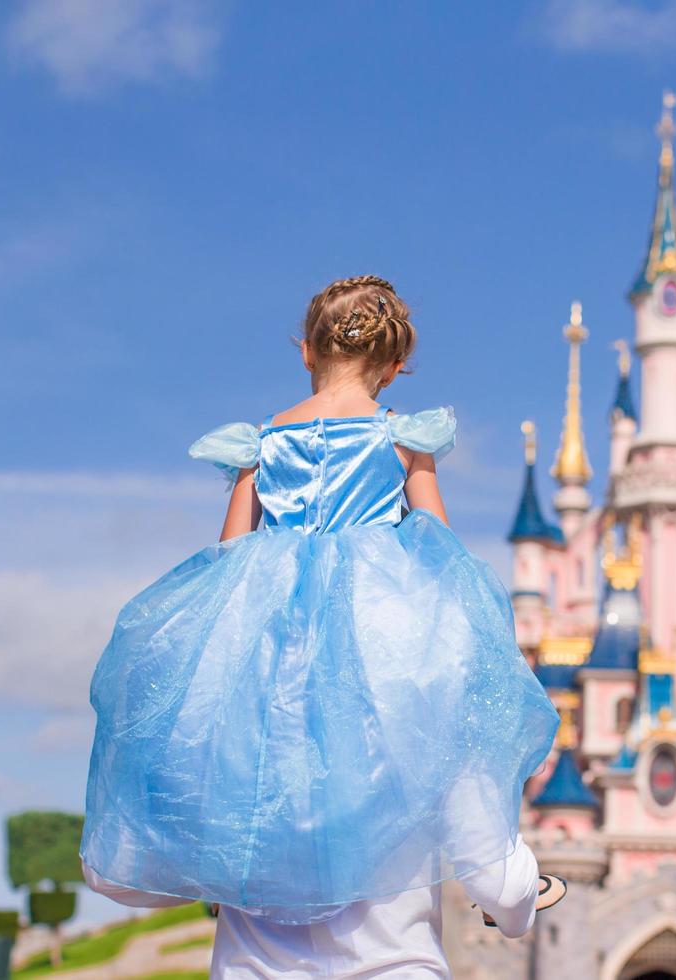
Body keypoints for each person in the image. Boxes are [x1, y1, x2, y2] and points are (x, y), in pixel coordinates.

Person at [80, 275, 564, 977]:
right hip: (377, 634)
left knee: (252, 762)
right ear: (396, 365)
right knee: (435, 736)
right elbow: (440, 557)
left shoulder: (262, 443)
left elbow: (229, 567)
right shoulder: (401, 439)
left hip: (273, 648)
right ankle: (508, 883)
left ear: (306, 350)